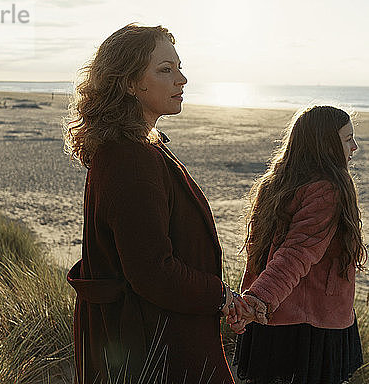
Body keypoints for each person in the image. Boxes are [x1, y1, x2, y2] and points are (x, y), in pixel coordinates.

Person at [62, 24, 241, 384]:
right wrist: (220, 296)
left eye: (178, 67)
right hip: (150, 346)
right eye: (165, 70)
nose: (182, 79)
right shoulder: (129, 158)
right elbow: (153, 272)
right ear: (130, 82)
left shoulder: (138, 146)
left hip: (152, 334)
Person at [229, 105, 367, 384]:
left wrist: (254, 298)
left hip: (275, 315)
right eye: (347, 138)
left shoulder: (276, 182)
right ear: (326, 144)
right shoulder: (327, 188)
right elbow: (296, 253)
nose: (355, 147)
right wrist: (258, 300)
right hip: (309, 324)